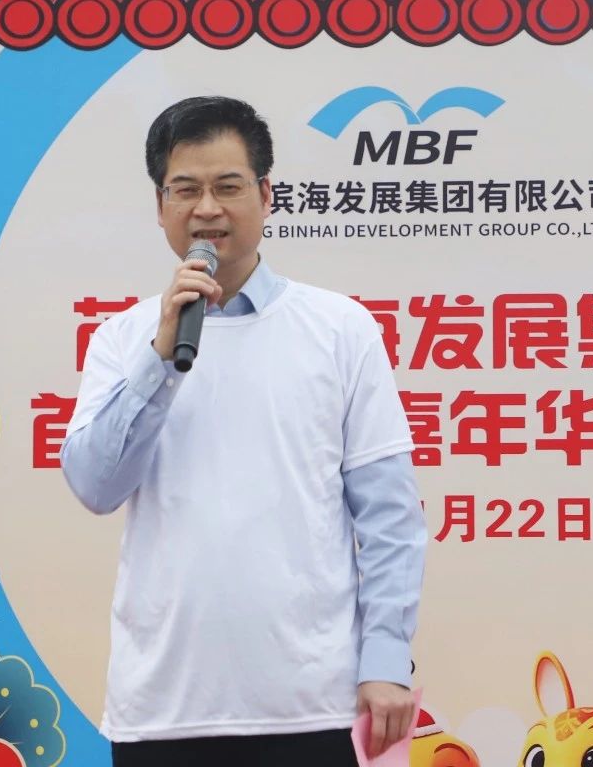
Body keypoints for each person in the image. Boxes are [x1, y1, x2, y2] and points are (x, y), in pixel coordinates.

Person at [62, 96, 427, 767]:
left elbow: (389, 517)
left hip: (311, 704)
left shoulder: (340, 328)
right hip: (163, 712)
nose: (207, 209)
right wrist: (158, 359)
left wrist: (385, 660)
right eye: (186, 189)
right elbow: (93, 486)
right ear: (160, 205)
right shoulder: (122, 339)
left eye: (228, 186)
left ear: (265, 195)